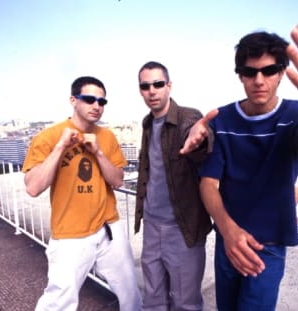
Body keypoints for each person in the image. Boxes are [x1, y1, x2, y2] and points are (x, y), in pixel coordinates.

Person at [185, 24, 298, 310]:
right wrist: (229, 232)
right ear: (240, 75)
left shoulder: (294, 114)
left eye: (269, 71)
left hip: (267, 246)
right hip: (228, 239)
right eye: (250, 71)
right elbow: (208, 183)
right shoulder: (223, 119)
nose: (259, 80)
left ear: (282, 73)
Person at [22, 76, 141, 311]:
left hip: (108, 227)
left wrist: (97, 152)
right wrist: (60, 147)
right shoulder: (48, 137)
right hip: (70, 234)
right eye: (89, 99)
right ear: (73, 100)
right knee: (59, 300)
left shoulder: (106, 137)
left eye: (102, 101)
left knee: (130, 292)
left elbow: (117, 180)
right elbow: (33, 187)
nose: (97, 106)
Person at [134, 61, 215, 311]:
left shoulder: (187, 117)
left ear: (169, 86)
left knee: (185, 303)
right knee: (153, 300)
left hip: (182, 228)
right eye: (146, 86)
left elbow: (200, 138)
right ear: (141, 91)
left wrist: (199, 139)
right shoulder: (147, 124)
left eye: (158, 84)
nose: (152, 91)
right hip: (151, 226)